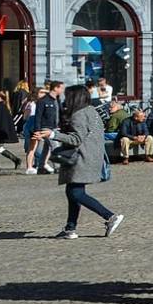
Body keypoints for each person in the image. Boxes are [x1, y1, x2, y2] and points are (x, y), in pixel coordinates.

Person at [45, 85, 121, 241]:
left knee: (76, 193)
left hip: (81, 157)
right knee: (72, 191)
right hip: (92, 156)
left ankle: (110, 216)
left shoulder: (78, 114)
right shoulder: (92, 111)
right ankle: (70, 228)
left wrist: (53, 134)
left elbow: (76, 139)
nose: (66, 100)